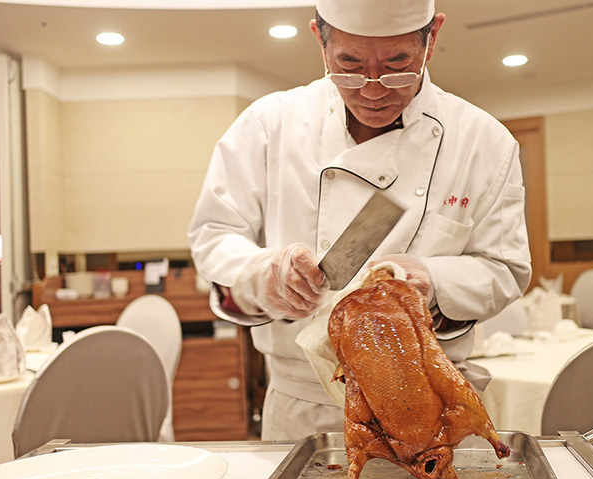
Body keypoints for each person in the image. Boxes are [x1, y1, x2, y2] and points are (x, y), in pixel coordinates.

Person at [188, 0, 531, 440]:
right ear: (319, 38)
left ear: (432, 39)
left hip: (431, 404)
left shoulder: (483, 141)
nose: (372, 89)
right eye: (348, 65)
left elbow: (506, 269)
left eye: (397, 65)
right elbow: (215, 237)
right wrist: (262, 276)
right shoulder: (268, 125)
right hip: (303, 410)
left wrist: (434, 281)